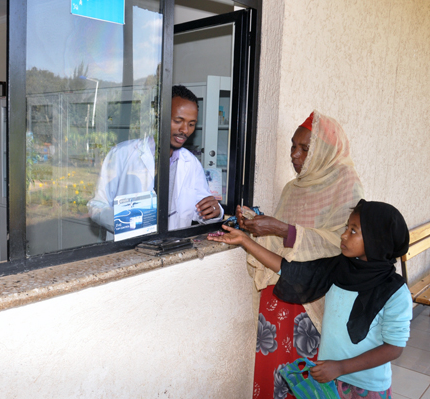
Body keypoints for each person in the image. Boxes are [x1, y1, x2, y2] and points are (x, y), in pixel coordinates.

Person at [208, 199, 412, 398]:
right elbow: (290, 270)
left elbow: (394, 347)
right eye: (346, 227)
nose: (343, 235)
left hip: (366, 387)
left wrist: (341, 367)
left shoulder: (394, 291)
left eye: (353, 231)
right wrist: (246, 241)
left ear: (377, 239)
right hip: (329, 377)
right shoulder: (339, 268)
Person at [237, 111, 364, 399]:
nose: (294, 155)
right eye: (293, 146)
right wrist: (253, 225)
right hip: (280, 290)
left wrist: (283, 229)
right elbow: (280, 239)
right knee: (274, 369)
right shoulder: (292, 188)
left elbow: (341, 242)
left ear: (324, 151)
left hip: (315, 298)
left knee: (306, 377)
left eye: (304, 148)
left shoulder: (346, 184)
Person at [88, 85, 223, 237]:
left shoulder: (191, 164)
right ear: (160, 114)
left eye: (191, 124)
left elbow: (202, 210)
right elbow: (96, 206)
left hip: (171, 250)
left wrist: (214, 211)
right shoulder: (121, 154)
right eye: (178, 121)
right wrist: (125, 222)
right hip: (128, 251)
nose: (185, 130)